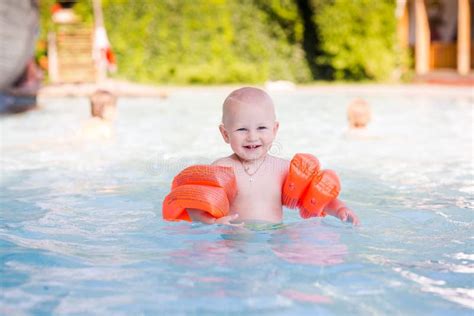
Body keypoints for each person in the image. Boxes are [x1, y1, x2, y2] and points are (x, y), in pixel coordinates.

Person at [164, 87, 360, 226]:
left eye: (261, 128)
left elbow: (315, 193)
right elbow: (195, 205)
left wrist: (340, 209)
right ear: (225, 134)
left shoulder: (283, 170)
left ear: (275, 129)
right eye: (242, 129)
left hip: (275, 239)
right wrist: (214, 222)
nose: (252, 136)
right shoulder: (222, 168)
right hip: (232, 241)